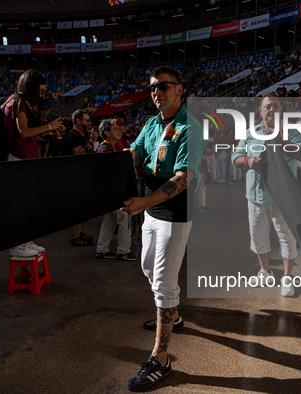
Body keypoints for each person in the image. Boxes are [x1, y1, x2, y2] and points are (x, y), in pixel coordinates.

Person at [121, 66, 203, 391]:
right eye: (153, 87)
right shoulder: (151, 123)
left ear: (180, 90)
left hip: (175, 212)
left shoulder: (190, 127)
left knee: (164, 284)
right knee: (147, 267)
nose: (157, 92)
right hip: (151, 209)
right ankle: (175, 316)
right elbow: (136, 151)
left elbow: (182, 179)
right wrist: (123, 158)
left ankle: (161, 358)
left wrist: (142, 203)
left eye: (164, 86)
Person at [231, 94, 301, 297]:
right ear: (260, 110)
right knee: (258, 236)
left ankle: (287, 277)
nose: (271, 110)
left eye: (275, 106)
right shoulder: (251, 132)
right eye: (267, 106)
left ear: (281, 108)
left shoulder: (292, 131)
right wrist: (248, 161)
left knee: (287, 237)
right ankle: (264, 271)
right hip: (256, 195)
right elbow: (235, 156)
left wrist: (281, 140)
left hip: (283, 197)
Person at [4, 69, 63, 256]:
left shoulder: (24, 103)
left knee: (27, 204)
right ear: (30, 87)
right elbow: (24, 132)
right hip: (18, 158)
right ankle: (17, 245)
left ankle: (25, 241)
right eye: (40, 90)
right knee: (19, 205)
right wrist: (48, 127)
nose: (41, 94)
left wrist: (49, 129)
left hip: (26, 158)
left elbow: (30, 132)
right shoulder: (17, 102)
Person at [95, 119, 135, 261]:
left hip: (108, 193)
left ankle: (102, 249)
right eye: (115, 129)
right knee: (124, 219)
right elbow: (112, 174)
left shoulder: (108, 148)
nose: (119, 131)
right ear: (107, 133)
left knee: (110, 221)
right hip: (114, 193)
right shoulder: (106, 150)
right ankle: (123, 251)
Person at [63, 109, 97, 246]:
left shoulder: (78, 135)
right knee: (79, 207)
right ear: (78, 121)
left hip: (77, 175)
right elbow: (78, 154)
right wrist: (92, 141)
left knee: (81, 207)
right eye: (86, 120)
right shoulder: (74, 135)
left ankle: (77, 233)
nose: (89, 123)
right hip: (74, 176)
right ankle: (76, 237)